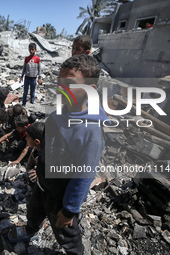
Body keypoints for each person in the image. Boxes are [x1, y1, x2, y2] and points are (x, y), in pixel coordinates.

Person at [9, 55, 107, 255]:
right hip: (42, 185)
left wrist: (69, 210)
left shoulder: (91, 132)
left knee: (66, 233)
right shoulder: (55, 117)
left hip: (61, 197)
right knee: (33, 212)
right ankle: (30, 231)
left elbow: (83, 176)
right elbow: (45, 150)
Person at [24, 121, 44, 187]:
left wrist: (39, 174)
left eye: (27, 136)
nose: (25, 138)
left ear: (36, 141)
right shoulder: (35, 150)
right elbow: (29, 165)